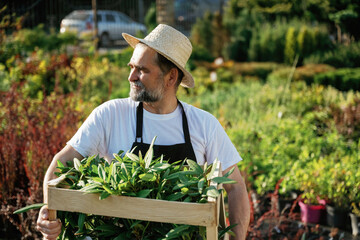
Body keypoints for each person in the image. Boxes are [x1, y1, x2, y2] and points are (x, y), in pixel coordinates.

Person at [36, 24, 250, 240]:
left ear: (171, 78)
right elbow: (62, 162)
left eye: (142, 70)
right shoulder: (110, 115)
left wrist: (235, 237)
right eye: (132, 67)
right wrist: (48, 211)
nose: (131, 77)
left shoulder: (204, 124)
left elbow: (236, 189)